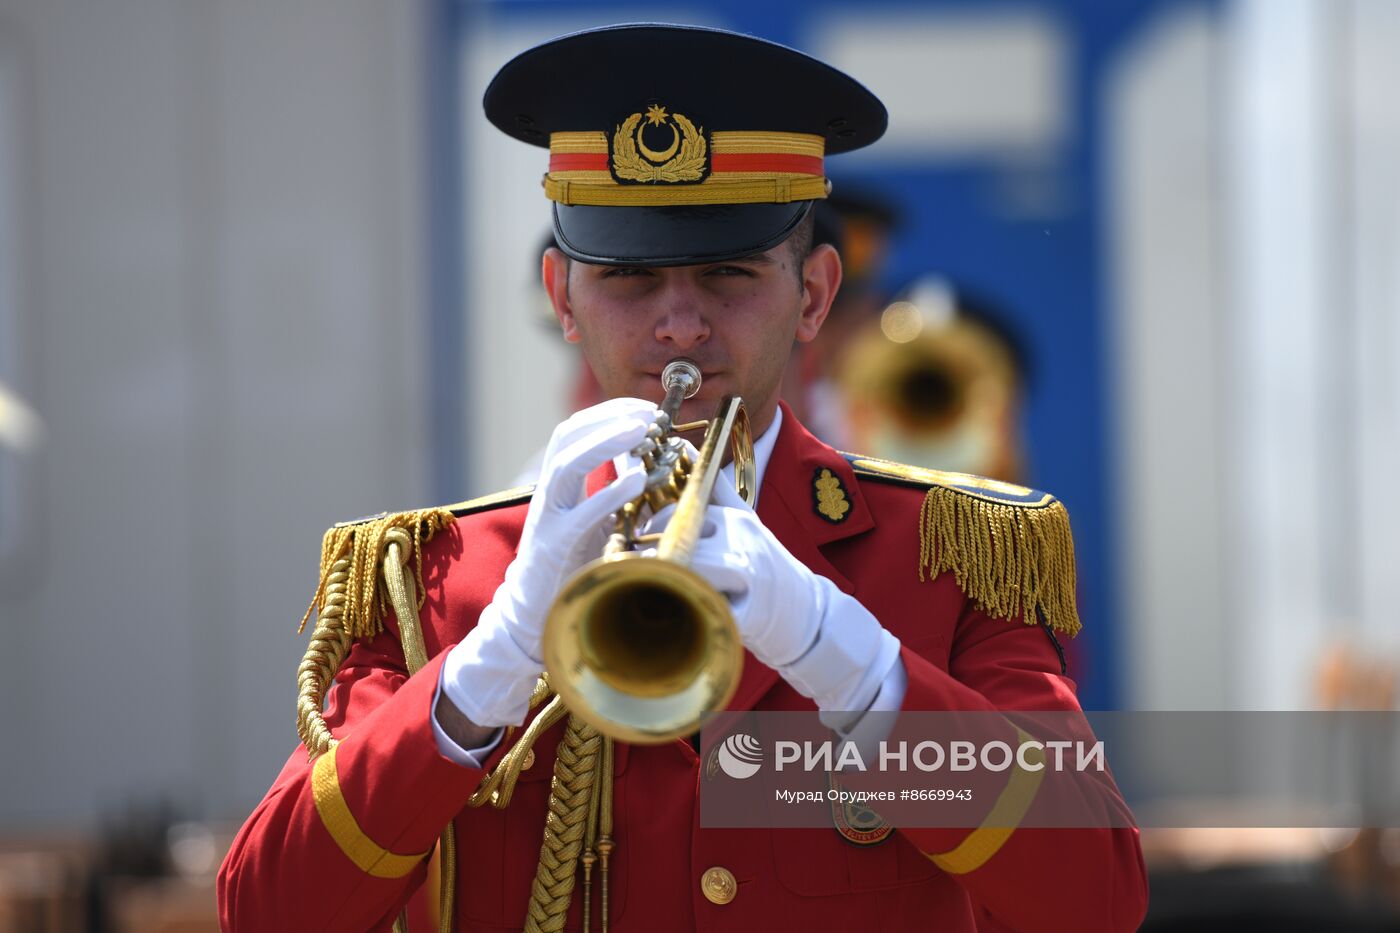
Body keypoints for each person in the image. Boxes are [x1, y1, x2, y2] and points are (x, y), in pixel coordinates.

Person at [218, 23, 1148, 932]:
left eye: (730, 273)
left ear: (816, 294)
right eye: (627, 278)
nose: (680, 327)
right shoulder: (429, 578)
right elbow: (265, 910)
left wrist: (850, 660)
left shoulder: (946, 559)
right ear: (561, 299)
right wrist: (484, 667)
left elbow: (1095, 898)